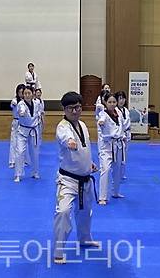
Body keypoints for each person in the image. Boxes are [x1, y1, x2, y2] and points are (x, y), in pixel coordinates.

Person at [52, 91, 99, 265]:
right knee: (63, 212)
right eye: (71, 108)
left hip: (85, 178)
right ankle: (58, 252)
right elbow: (67, 139)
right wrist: (69, 142)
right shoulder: (62, 127)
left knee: (86, 213)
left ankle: (85, 238)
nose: (75, 111)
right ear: (64, 109)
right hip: (68, 180)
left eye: (78, 107)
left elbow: (85, 150)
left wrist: (90, 164)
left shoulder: (83, 125)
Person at [97, 92, 125, 205]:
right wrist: (101, 122)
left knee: (117, 169)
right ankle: (102, 197)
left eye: (114, 102)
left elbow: (121, 126)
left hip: (118, 144)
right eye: (110, 102)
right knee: (105, 169)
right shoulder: (103, 114)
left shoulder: (118, 112)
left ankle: (115, 192)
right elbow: (101, 119)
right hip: (107, 146)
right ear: (105, 102)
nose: (112, 104)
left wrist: (123, 136)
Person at [13, 86, 42, 182]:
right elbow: (21, 111)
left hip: (34, 130)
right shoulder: (21, 104)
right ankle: (18, 174)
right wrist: (22, 113)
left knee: (34, 152)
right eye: (25, 93)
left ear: (33, 94)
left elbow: (39, 114)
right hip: (22, 131)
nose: (27, 95)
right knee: (20, 152)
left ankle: (35, 172)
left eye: (29, 93)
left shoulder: (37, 103)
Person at [115, 91, 131, 180]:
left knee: (124, 155)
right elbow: (120, 124)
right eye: (120, 98)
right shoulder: (115, 111)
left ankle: (122, 173)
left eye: (123, 98)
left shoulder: (126, 110)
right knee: (119, 156)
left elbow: (128, 122)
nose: (122, 101)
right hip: (120, 135)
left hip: (127, 133)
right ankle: (116, 175)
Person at [9, 84, 26, 169]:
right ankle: (12, 161)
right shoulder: (14, 100)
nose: (21, 94)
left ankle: (23, 161)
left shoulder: (26, 101)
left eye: (22, 92)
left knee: (23, 144)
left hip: (24, 123)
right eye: (19, 92)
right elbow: (13, 105)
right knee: (14, 142)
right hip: (16, 122)